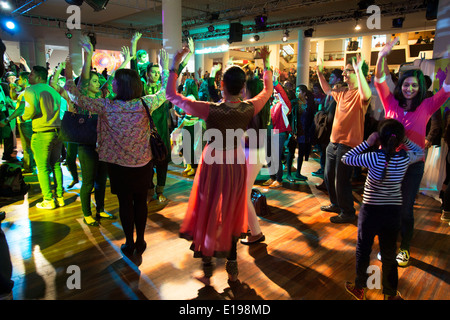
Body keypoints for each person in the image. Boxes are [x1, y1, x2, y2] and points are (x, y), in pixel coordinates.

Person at [166, 45, 273, 285]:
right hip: (235, 164)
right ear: (242, 88)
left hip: (213, 165)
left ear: (221, 85)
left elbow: (171, 95)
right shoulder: (248, 108)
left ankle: (206, 268)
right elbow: (268, 90)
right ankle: (233, 269)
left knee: (209, 210)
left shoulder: (210, 109)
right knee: (232, 212)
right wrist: (265, 63)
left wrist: (175, 63)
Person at [64, 49, 169, 258]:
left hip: (118, 165)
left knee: (125, 203)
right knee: (140, 202)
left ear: (121, 86)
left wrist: (68, 77)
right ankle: (140, 240)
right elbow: (166, 91)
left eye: (114, 82)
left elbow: (75, 98)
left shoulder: (106, 106)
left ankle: (129, 242)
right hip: (143, 164)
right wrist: (166, 68)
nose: (110, 85)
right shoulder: (145, 103)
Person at [374, 37, 450, 266]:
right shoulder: (391, 103)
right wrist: (380, 56)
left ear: (419, 89)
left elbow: (446, 91)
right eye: (406, 84)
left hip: (413, 165)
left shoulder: (426, 106)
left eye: (414, 85)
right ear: (401, 85)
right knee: (387, 207)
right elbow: (378, 80)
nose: (409, 88)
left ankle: (404, 248)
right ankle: (388, 244)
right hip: (389, 162)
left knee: (405, 208)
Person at [343, 119, 423, 300]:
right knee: (388, 254)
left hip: (370, 211)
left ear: (380, 137)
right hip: (392, 212)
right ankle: (390, 293)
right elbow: (420, 152)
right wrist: (405, 141)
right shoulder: (404, 158)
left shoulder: (372, 157)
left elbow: (346, 158)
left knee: (363, 249)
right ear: (399, 140)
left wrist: (368, 142)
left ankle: (360, 288)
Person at [316, 54, 372, 223]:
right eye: (345, 70)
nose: (344, 74)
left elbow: (366, 94)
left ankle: (347, 212)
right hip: (333, 143)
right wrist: (319, 74)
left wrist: (358, 71)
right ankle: (335, 204)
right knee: (328, 176)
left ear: (357, 73)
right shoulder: (343, 91)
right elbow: (327, 90)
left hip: (349, 145)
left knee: (341, 180)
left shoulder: (361, 94)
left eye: (348, 71)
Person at [75, 35, 115, 226]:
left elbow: (113, 78)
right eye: (93, 81)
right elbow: (83, 77)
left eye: (98, 81)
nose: (97, 83)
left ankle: (100, 209)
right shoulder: (83, 99)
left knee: (101, 180)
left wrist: (131, 56)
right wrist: (89, 54)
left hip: (103, 145)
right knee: (88, 182)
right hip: (87, 145)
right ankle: (86, 213)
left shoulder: (102, 98)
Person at [19, 66, 64, 209]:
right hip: (58, 131)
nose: (29, 77)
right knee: (56, 165)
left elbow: (31, 110)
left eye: (31, 74)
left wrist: (23, 116)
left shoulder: (31, 90)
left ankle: (48, 200)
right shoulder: (54, 91)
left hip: (42, 132)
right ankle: (60, 197)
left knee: (42, 167)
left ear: (38, 77)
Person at [241, 69, 271, 245]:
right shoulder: (257, 108)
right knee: (243, 192)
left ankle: (256, 232)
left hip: (252, 153)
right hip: (253, 153)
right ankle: (246, 227)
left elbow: (250, 137)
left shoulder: (252, 109)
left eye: (245, 88)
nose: (243, 90)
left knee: (243, 194)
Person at [262, 70, 292, 188]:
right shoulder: (271, 104)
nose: (275, 94)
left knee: (276, 156)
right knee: (268, 156)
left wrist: (276, 84)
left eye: (276, 93)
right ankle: (272, 177)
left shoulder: (284, 106)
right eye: (274, 92)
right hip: (269, 133)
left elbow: (283, 97)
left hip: (278, 133)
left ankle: (279, 179)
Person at [286, 84, 316, 182]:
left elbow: (312, 118)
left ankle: (298, 172)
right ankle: (289, 174)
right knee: (291, 152)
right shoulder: (294, 103)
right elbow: (289, 117)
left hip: (304, 132)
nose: (296, 93)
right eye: (296, 91)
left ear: (304, 93)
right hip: (295, 131)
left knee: (301, 153)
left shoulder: (309, 104)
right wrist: (290, 129)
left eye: (299, 91)